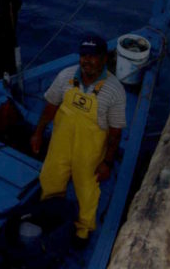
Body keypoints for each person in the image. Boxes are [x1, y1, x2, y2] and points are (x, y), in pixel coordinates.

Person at [29, 33, 126, 245]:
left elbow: (116, 132)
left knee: (87, 192)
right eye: (84, 55)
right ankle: (51, 218)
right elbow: (50, 107)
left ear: (103, 59)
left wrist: (107, 162)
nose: (87, 61)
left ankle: (83, 231)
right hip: (60, 146)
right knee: (49, 180)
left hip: (89, 154)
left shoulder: (114, 90)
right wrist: (38, 133)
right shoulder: (65, 77)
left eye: (93, 56)